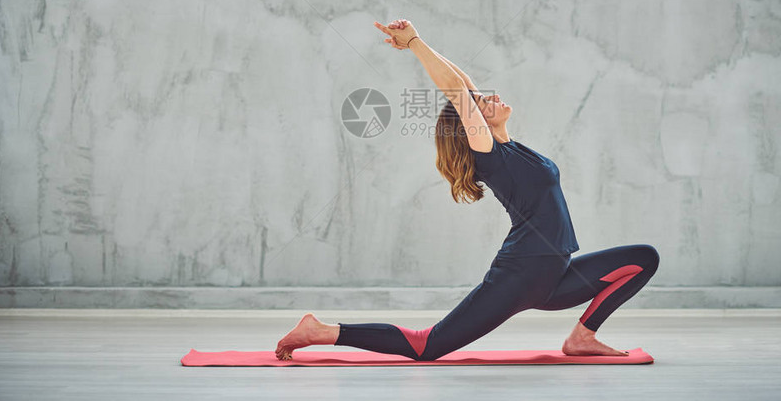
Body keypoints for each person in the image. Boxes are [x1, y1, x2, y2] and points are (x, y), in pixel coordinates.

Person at [275, 19, 660, 361]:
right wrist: (414, 43)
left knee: (644, 258)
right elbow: (456, 89)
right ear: (470, 125)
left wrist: (430, 53)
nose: (489, 96)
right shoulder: (490, 155)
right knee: (426, 346)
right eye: (479, 105)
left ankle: (582, 337)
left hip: (553, 276)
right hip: (522, 274)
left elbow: (466, 84)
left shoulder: (509, 148)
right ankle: (322, 331)